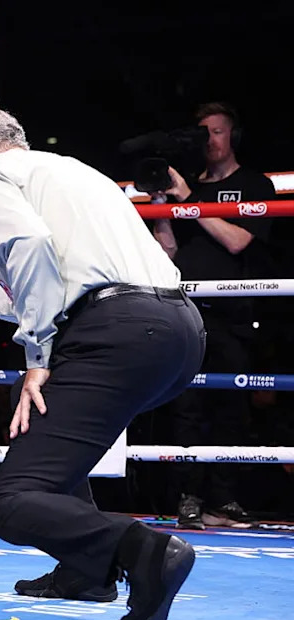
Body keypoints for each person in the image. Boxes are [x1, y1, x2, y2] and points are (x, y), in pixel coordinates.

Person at [0, 106, 206, 620]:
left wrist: (37, 358)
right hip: (177, 333)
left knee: (11, 504)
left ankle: (145, 550)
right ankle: (87, 573)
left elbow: (30, 252)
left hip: (114, 334)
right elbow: (36, 285)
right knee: (52, 453)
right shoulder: (78, 174)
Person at [151, 102, 276, 530]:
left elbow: (239, 240)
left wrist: (191, 201)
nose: (210, 141)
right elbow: (168, 250)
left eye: (217, 131)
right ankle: (189, 497)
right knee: (187, 407)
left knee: (231, 409)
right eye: (202, 132)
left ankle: (223, 499)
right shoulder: (186, 187)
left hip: (235, 313)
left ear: (232, 136)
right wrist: (162, 205)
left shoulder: (254, 184)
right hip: (189, 311)